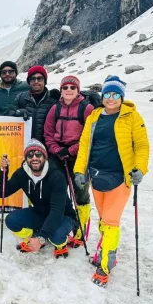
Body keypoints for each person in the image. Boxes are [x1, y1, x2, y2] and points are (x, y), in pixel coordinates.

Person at [74, 75, 150, 288]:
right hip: (97, 177)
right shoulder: (95, 116)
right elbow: (84, 145)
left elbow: (142, 146)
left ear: (122, 96)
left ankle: (105, 266)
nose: (111, 98)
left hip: (119, 178)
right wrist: (80, 171)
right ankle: (106, 251)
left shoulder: (132, 117)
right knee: (103, 219)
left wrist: (140, 169)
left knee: (110, 222)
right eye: (107, 93)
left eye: (116, 94)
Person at [0, 139, 76, 258]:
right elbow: (2, 193)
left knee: (56, 237)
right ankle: (33, 238)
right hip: (40, 213)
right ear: (26, 158)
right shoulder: (22, 174)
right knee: (11, 220)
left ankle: (61, 243)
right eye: (30, 155)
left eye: (38, 154)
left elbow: (57, 211)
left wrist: (41, 238)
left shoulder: (56, 176)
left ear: (44, 157)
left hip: (63, 216)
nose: (34, 158)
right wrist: (3, 172)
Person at [44, 75, 94, 248]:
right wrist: (57, 150)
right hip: (58, 155)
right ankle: (60, 224)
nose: (69, 90)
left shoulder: (86, 109)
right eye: (65, 87)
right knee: (57, 191)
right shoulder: (55, 109)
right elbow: (48, 132)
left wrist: (71, 150)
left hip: (79, 156)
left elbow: (89, 136)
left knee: (80, 193)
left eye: (73, 87)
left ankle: (80, 232)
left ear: (78, 90)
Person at [8, 66, 60, 144]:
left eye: (39, 78)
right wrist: (17, 114)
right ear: (29, 82)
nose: (36, 81)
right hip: (24, 145)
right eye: (32, 79)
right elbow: (9, 118)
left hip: (47, 147)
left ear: (44, 81)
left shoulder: (53, 99)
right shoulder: (21, 97)